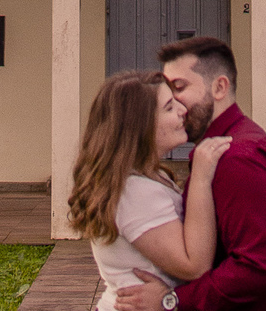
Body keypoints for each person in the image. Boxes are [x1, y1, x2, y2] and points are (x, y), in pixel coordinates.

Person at [116, 38, 266, 311]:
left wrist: (172, 300)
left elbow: (257, 267)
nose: (173, 102)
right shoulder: (223, 148)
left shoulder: (236, 158)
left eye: (179, 88)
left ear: (219, 87)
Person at [68, 68, 233, 311]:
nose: (182, 110)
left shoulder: (137, 179)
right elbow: (195, 266)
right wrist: (200, 177)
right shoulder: (135, 192)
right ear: (140, 127)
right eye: (169, 107)